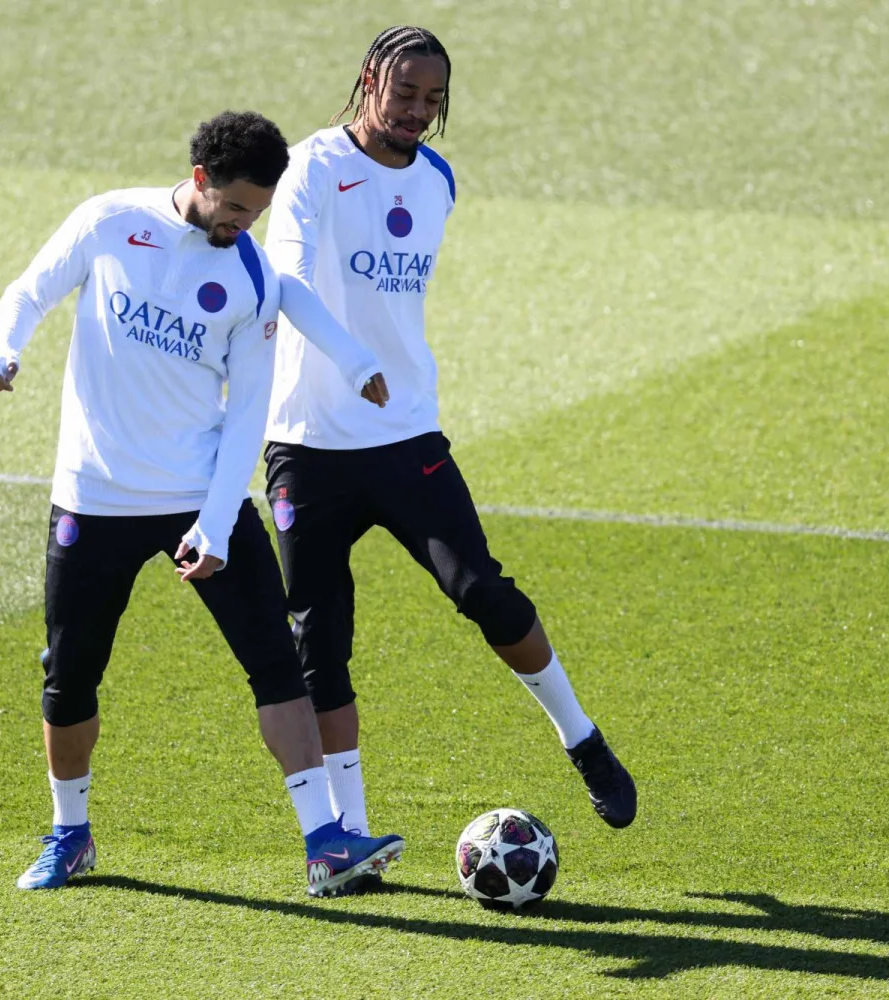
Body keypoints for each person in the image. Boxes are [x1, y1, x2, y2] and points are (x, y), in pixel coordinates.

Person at [0, 110, 401, 897]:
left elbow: (248, 412)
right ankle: (70, 835)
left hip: (197, 496)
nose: (245, 226)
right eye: (236, 208)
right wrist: (3, 352)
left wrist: (212, 522)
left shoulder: (248, 276)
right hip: (93, 496)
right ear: (200, 181)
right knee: (69, 675)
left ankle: (325, 844)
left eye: (258, 213)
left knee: (277, 664)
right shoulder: (110, 222)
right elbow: (28, 292)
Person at [261, 28, 637, 854]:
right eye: (405, 95)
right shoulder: (312, 167)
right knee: (319, 639)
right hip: (306, 443)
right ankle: (351, 835)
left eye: (433, 101)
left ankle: (582, 738)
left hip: (405, 434)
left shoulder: (437, 181)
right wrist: (354, 362)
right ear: (368, 82)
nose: (419, 114)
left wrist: (379, 370)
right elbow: (285, 279)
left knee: (482, 589)